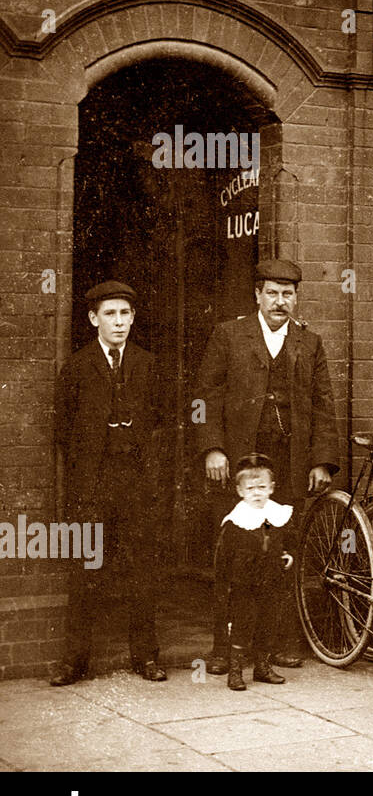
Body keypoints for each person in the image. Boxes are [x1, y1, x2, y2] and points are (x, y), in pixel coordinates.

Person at [194, 259, 339, 674]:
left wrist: (321, 461)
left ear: (296, 298)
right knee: (232, 562)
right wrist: (213, 449)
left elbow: (323, 406)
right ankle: (224, 649)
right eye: (272, 293)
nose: (280, 301)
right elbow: (205, 396)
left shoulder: (309, 343)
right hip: (238, 465)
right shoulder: (229, 334)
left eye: (288, 294)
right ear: (257, 294)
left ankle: (276, 646)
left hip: (289, 467)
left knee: (283, 557)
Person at [51, 281, 167, 685]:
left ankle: (146, 656)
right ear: (93, 319)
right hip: (93, 484)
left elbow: (159, 420)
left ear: (133, 318)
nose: (119, 322)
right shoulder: (78, 366)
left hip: (134, 482)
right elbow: (63, 431)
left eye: (125, 314)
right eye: (110, 314)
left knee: (142, 570)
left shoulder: (147, 364)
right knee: (87, 570)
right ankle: (75, 661)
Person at [215, 454, 293, 691]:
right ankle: (236, 671)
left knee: (267, 622)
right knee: (242, 624)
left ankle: (262, 667)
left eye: (262, 487)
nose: (257, 493)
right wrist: (226, 583)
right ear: (240, 491)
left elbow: (281, 540)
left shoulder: (276, 514)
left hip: (270, 579)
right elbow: (223, 556)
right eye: (250, 488)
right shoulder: (237, 520)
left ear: (271, 488)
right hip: (244, 583)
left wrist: (286, 554)